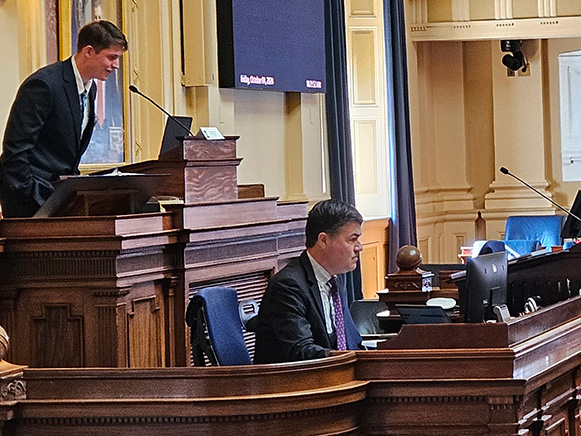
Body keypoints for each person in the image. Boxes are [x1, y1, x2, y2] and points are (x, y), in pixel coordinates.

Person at [0, 20, 128, 218]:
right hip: (31, 202)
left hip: (62, 198)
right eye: (111, 57)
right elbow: (15, 150)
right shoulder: (44, 85)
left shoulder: (90, 88)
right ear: (88, 51)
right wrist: (29, 193)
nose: (116, 65)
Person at [254, 199, 364, 364]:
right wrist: (349, 359)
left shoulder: (334, 280)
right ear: (323, 240)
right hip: (292, 382)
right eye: (352, 239)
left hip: (330, 375)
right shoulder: (288, 286)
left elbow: (348, 339)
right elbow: (301, 351)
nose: (359, 247)